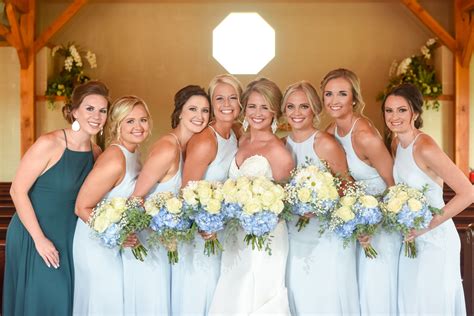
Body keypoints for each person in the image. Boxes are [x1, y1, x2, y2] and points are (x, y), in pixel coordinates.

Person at [3, 81, 109, 316]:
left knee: (66, 301)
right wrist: (40, 239)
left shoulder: (96, 153)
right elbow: (17, 191)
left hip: (69, 237)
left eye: (102, 110)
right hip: (34, 233)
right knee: (45, 299)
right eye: (89, 108)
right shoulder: (49, 143)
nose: (96, 116)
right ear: (74, 111)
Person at [383, 83, 473, 314]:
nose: (394, 117)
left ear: (415, 113)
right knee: (412, 303)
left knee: (430, 304)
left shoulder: (425, 147)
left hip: (435, 239)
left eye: (401, 110)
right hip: (412, 238)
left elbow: (468, 192)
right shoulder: (396, 142)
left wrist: (427, 225)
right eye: (389, 110)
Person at [209, 77, 294, 316]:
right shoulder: (241, 138)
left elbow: (284, 205)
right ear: (244, 109)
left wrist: (258, 213)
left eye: (265, 107)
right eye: (253, 106)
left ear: (275, 112)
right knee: (232, 288)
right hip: (235, 233)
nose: (258, 113)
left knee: (255, 289)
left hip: (265, 237)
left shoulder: (279, 153)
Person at [322, 68, 398, 315]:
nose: (334, 100)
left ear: (353, 98)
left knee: (373, 292)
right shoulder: (329, 132)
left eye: (342, 94)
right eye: (329, 94)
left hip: (379, 228)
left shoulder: (365, 136)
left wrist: (373, 224)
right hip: (352, 226)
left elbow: (394, 187)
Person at [130, 85, 210, 315]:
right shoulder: (168, 148)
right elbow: (136, 198)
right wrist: (155, 229)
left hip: (170, 244)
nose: (199, 116)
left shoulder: (187, 148)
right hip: (152, 245)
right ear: (179, 112)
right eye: (192, 109)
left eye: (205, 111)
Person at [282, 80, 359, 315]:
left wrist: (322, 204)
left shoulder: (324, 143)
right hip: (294, 236)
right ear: (284, 110)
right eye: (291, 106)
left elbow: (348, 188)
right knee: (299, 295)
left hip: (325, 238)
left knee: (325, 298)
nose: (296, 113)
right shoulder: (283, 145)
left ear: (314, 109)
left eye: (303, 106)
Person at [73, 95, 151, 315]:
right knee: (105, 303)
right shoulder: (115, 158)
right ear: (117, 125)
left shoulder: (134, 153)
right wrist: (116, 234)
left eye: (143, 120)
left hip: (113, 241)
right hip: (95, 243)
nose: (138, 126)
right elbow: (81, 207)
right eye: (130, 121)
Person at [175, 74, 242, 315]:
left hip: (225, 230)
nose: (227, 104)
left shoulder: (236, 133)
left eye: (233, 97)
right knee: (203, 293)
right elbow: (187, 193)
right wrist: (204, 225)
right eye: (219, 98)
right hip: (204, 233)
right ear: (211, 104)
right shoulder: (205, 141)